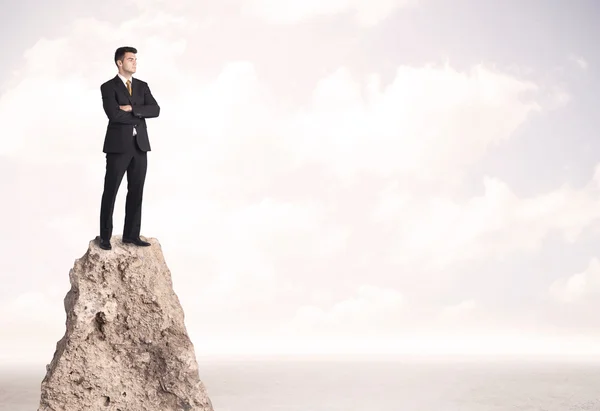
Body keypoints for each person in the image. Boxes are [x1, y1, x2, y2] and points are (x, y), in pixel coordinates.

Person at [98, 46, 160, 250]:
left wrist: (133, 108)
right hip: (118, 147)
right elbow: (114, 115)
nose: (135, 62)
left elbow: (155, 110)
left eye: (135, 59)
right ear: (119, 62)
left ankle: (131, 235)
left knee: (136, 191)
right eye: (131, 59)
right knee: (111, 192)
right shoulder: (108, 87)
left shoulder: (142, 86)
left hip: (140, 146)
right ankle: (105, 237)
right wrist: (140, 113)